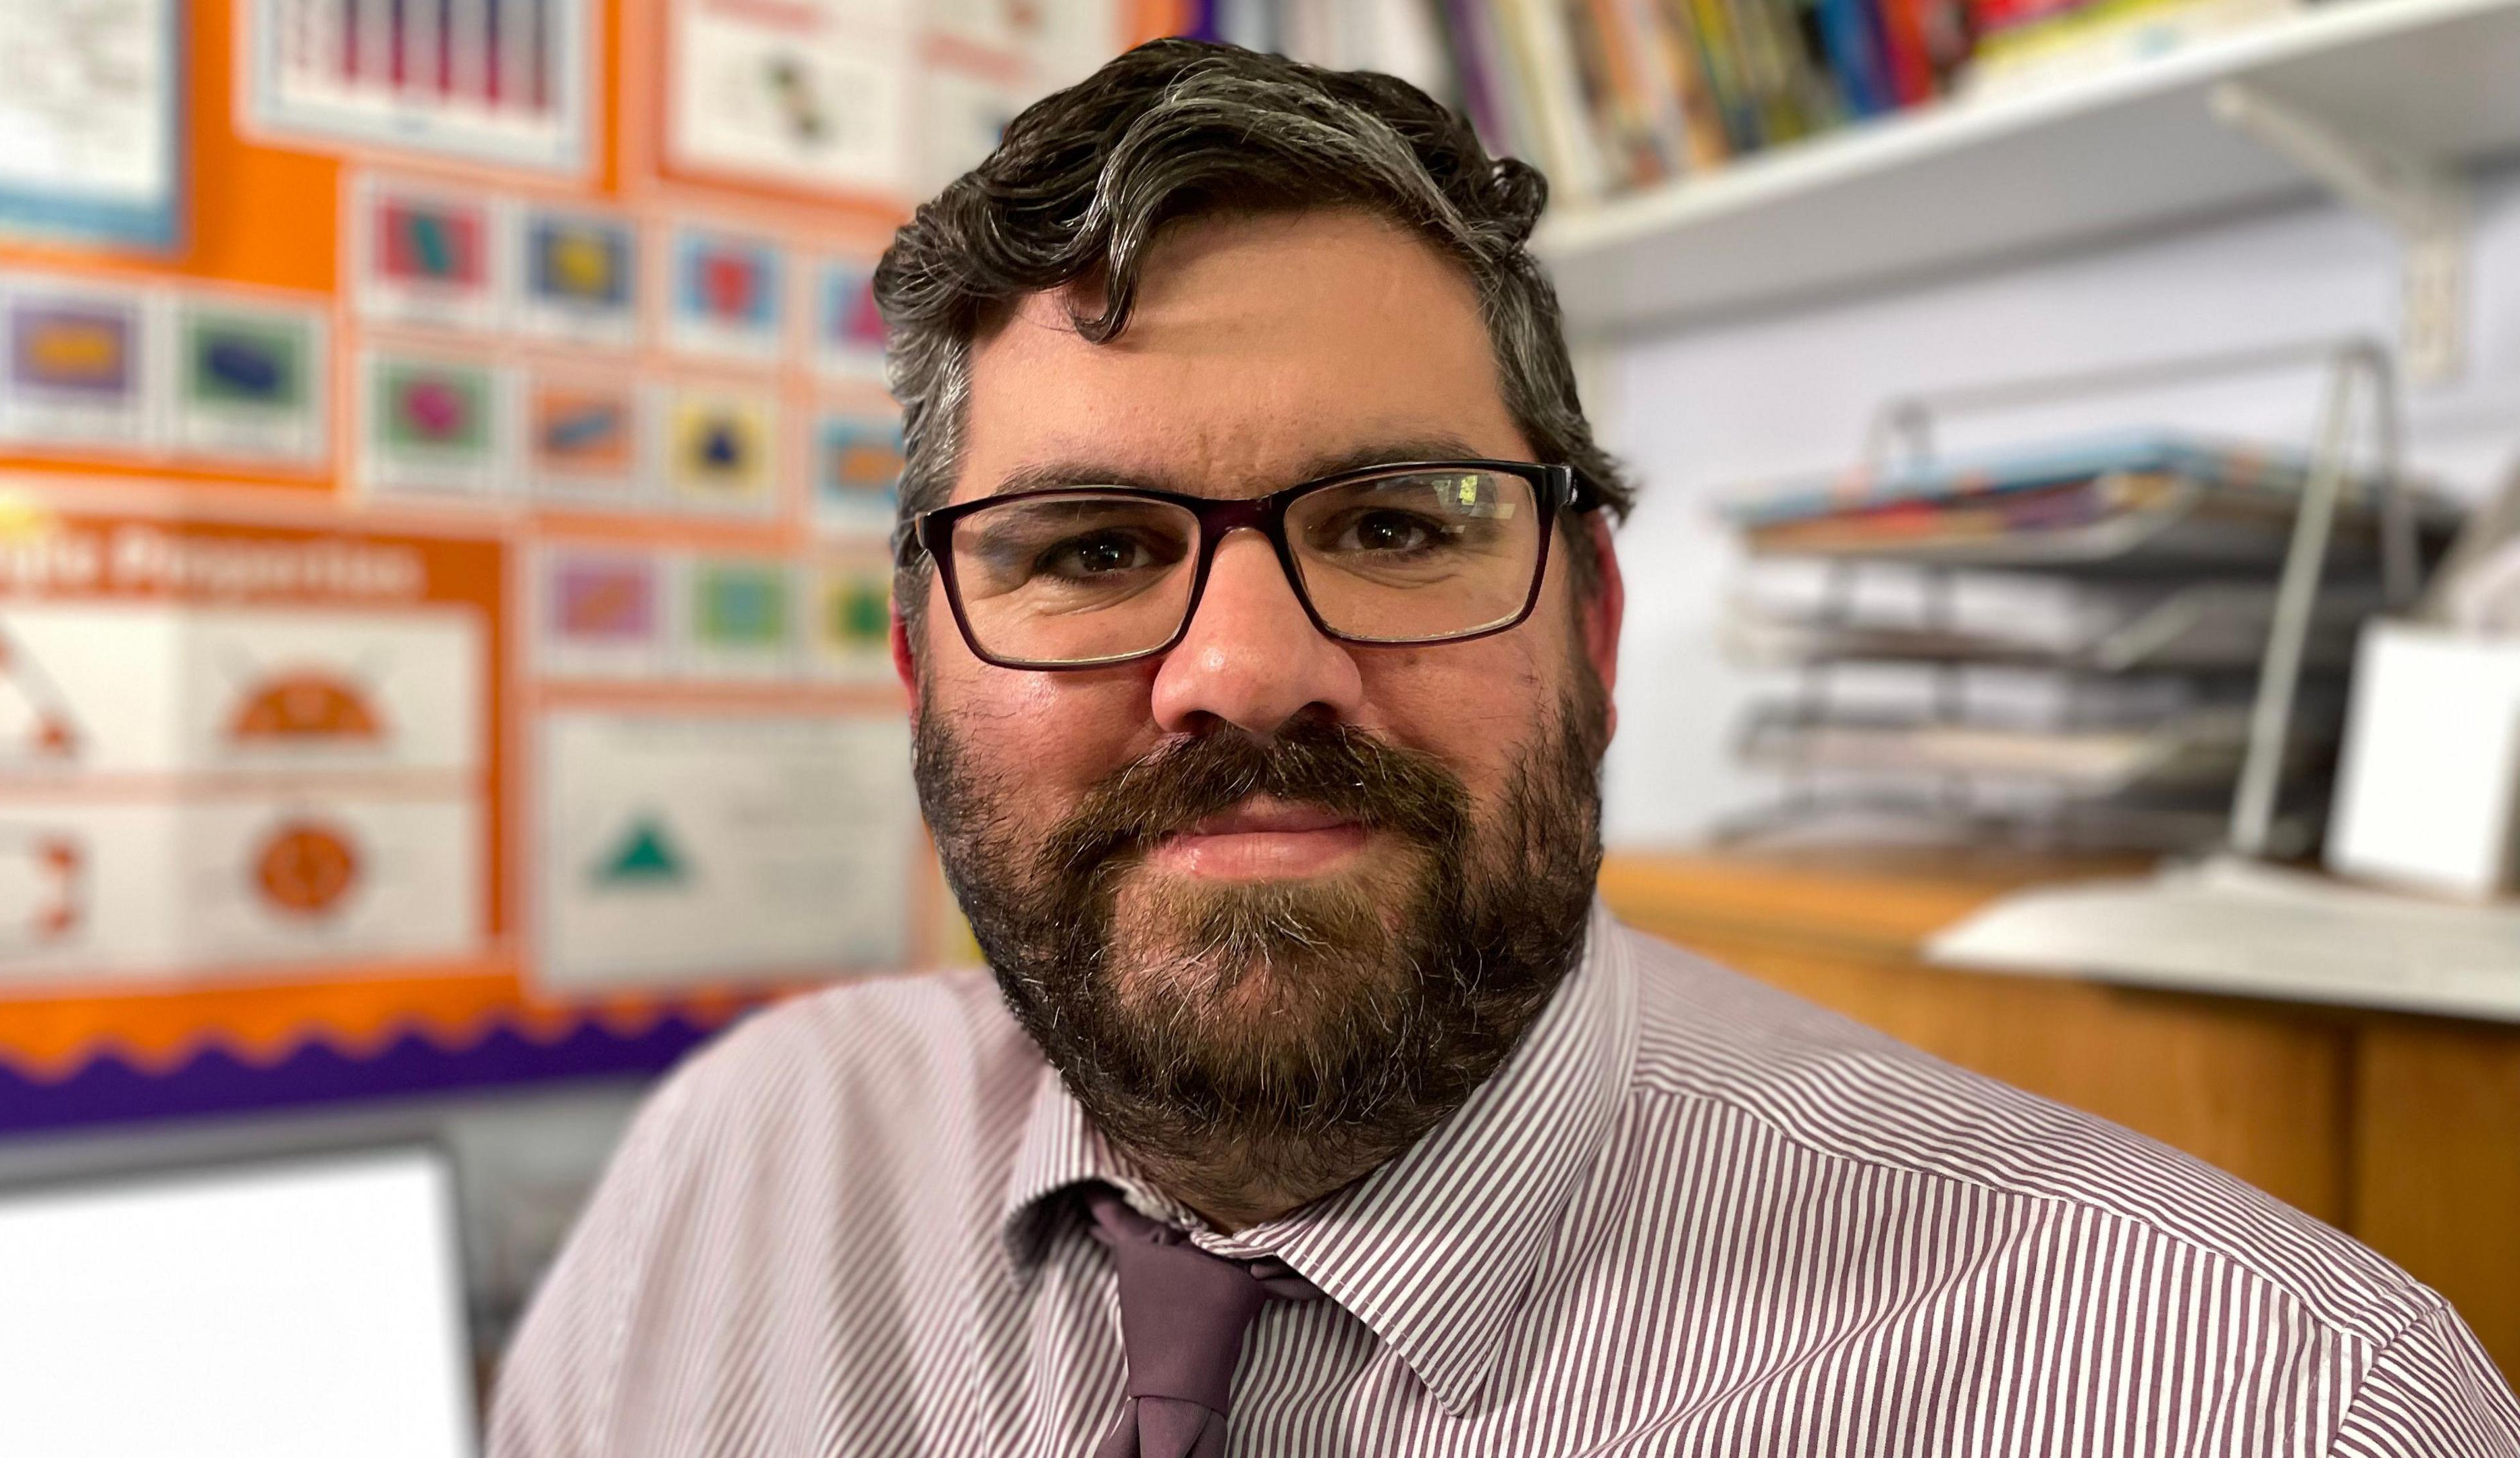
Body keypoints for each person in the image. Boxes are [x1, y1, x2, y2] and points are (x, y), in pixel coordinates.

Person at [490, 38, 2520, 1457]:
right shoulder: (731, 1176)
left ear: (1597, 626)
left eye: (1393, 526)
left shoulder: (2265, 1404)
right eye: (1092, 550)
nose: (1245, 671)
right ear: (924, 662)